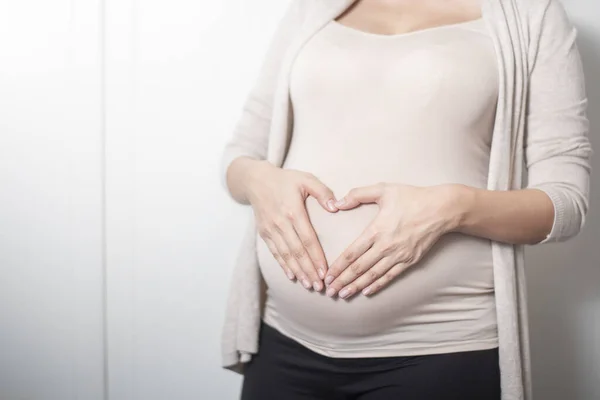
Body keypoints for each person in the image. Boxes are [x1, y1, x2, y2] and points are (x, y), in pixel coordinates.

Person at [219, 0, 593, 399]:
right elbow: (242, 153)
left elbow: (567, 202)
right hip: (282, 343)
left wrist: (452, 208)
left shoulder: (531, 13)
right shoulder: (314, 7)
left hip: (438, 355)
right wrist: (260, 182)